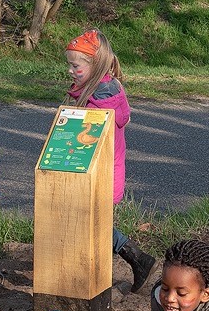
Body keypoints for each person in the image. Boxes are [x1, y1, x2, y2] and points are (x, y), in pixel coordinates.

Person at [64, 29, 155, 291]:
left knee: (91, 224)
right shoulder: (102, 91)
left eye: (75, 65)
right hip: (99, 171)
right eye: (69, 64)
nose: (70, 70)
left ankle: (134, 258)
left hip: (100, 173)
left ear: (95, 64)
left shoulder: (100, 102)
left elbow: (88, 142)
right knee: (91, 222)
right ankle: (135, 258)